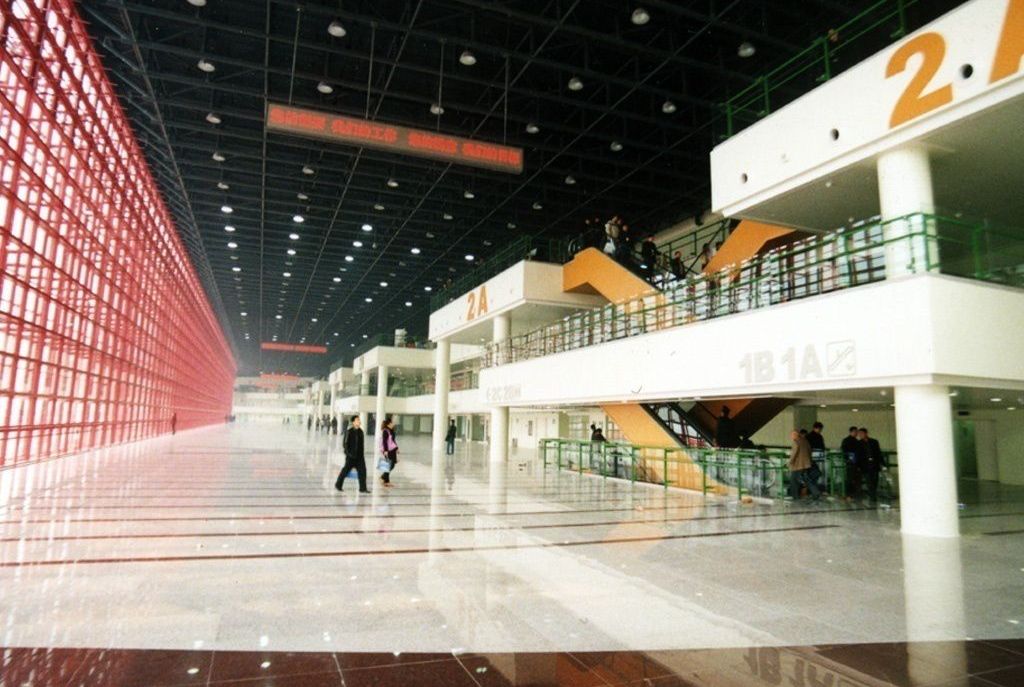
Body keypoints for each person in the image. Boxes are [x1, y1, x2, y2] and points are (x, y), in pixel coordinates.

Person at [334, 416, 368, 493]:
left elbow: (361, 445)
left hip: (360, 457)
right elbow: (345, 444)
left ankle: (363, 488)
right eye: (357, 420)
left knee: (363, 472)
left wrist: (362, 455)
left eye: (359, 420)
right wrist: (349, 454)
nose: (359, 421)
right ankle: (338, 484)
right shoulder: (349, 432)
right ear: (353, 422)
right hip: (351, 456)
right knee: (345, 471)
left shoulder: (361, 432)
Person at [788, 430, 820, 500]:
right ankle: (816, 492)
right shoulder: (805, 441)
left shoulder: (796, 442)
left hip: (798, 465)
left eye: (792, 435)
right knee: (806, 479)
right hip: (806, 464)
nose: (791, 437)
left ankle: (795, 496)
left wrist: (790, 462)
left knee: (794, 480)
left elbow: (794, 453)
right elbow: (810, 450)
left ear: (795, 435)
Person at [859, 428, 886, 503]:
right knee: (868, 481)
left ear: (866, 433)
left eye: (862, 433)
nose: (860, 435)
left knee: (875, 480)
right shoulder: (859, 443)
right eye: (859, 434)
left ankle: (873, 494)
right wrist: (858, 466)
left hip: (874, 463)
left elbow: (878, 452)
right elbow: (859, 455)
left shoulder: (874, 442)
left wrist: (883, 463)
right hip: (865, 465)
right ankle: (872, 496)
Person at [840, 426, 861, 499]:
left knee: (853, 478)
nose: (856, 433)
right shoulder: (850, 441)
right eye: (855, 432)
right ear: (851, 432)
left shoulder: (852, 440)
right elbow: (844, 451)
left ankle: (852, 494)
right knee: (851, 478)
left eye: (857, 432)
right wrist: (848, 459)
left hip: (853, 462)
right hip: (851, 462)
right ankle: (850, 494)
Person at [379, 416, 399, 487]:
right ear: (389, 424)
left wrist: (397, 448)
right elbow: (384, 441)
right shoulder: (385, 431)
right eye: (392, 422)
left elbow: (393, 440)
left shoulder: (391, 430)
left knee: (391, 464)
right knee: (390, 464)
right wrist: (385, 450)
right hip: (388, 450)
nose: (393, 423)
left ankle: (385, 480)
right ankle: (384, 478)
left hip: (392, 449)